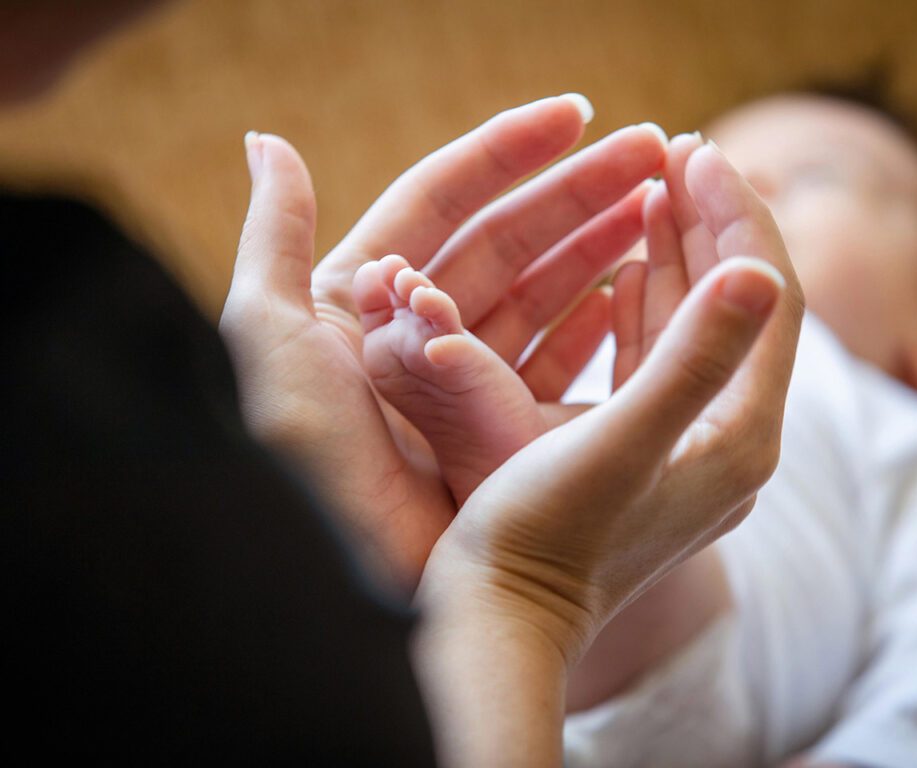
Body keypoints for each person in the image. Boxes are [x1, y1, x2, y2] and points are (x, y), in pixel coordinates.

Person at [1, 1, 805, 764]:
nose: (763, 185)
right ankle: (493, 454)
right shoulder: (56, 362)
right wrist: (529, 587)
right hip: (602, 623)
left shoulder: (899, 429)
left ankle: (492, 458)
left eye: (824, 179)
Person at [553, 94, 917, 767]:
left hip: (706, 688)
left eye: (816, 177)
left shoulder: (913, 435)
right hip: (498, 672)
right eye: (700, 170)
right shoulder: (580, 353)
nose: (736, 188)